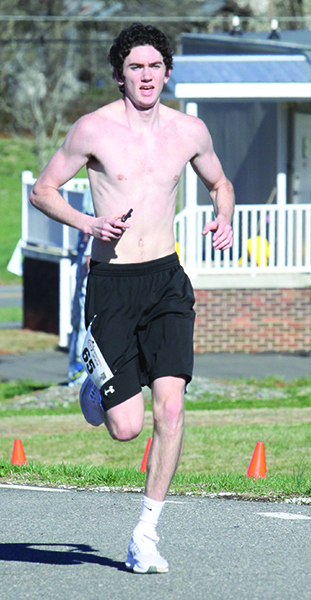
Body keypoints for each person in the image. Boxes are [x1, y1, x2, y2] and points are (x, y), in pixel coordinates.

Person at [29, 22, 234, 574]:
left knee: (171, 405)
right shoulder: (92, 130)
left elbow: (220, 182)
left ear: (168, 72)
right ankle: (98, 394)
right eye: (136, 67)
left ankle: (146, 532)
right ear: (120, 73)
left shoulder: (189, 131)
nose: (147, 76)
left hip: (167, 281)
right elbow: (42, 190)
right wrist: (89, 223)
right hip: (112, 286)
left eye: (155, 66)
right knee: (126, 426)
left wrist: (224, 215)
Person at [68, 187, 93, 386]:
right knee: (78, 315)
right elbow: (86, 226)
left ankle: (85, 370)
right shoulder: (89, 189)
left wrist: (88, 255)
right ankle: (76, 369)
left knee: (88, 316)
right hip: (83, 254)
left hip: (91, 258)